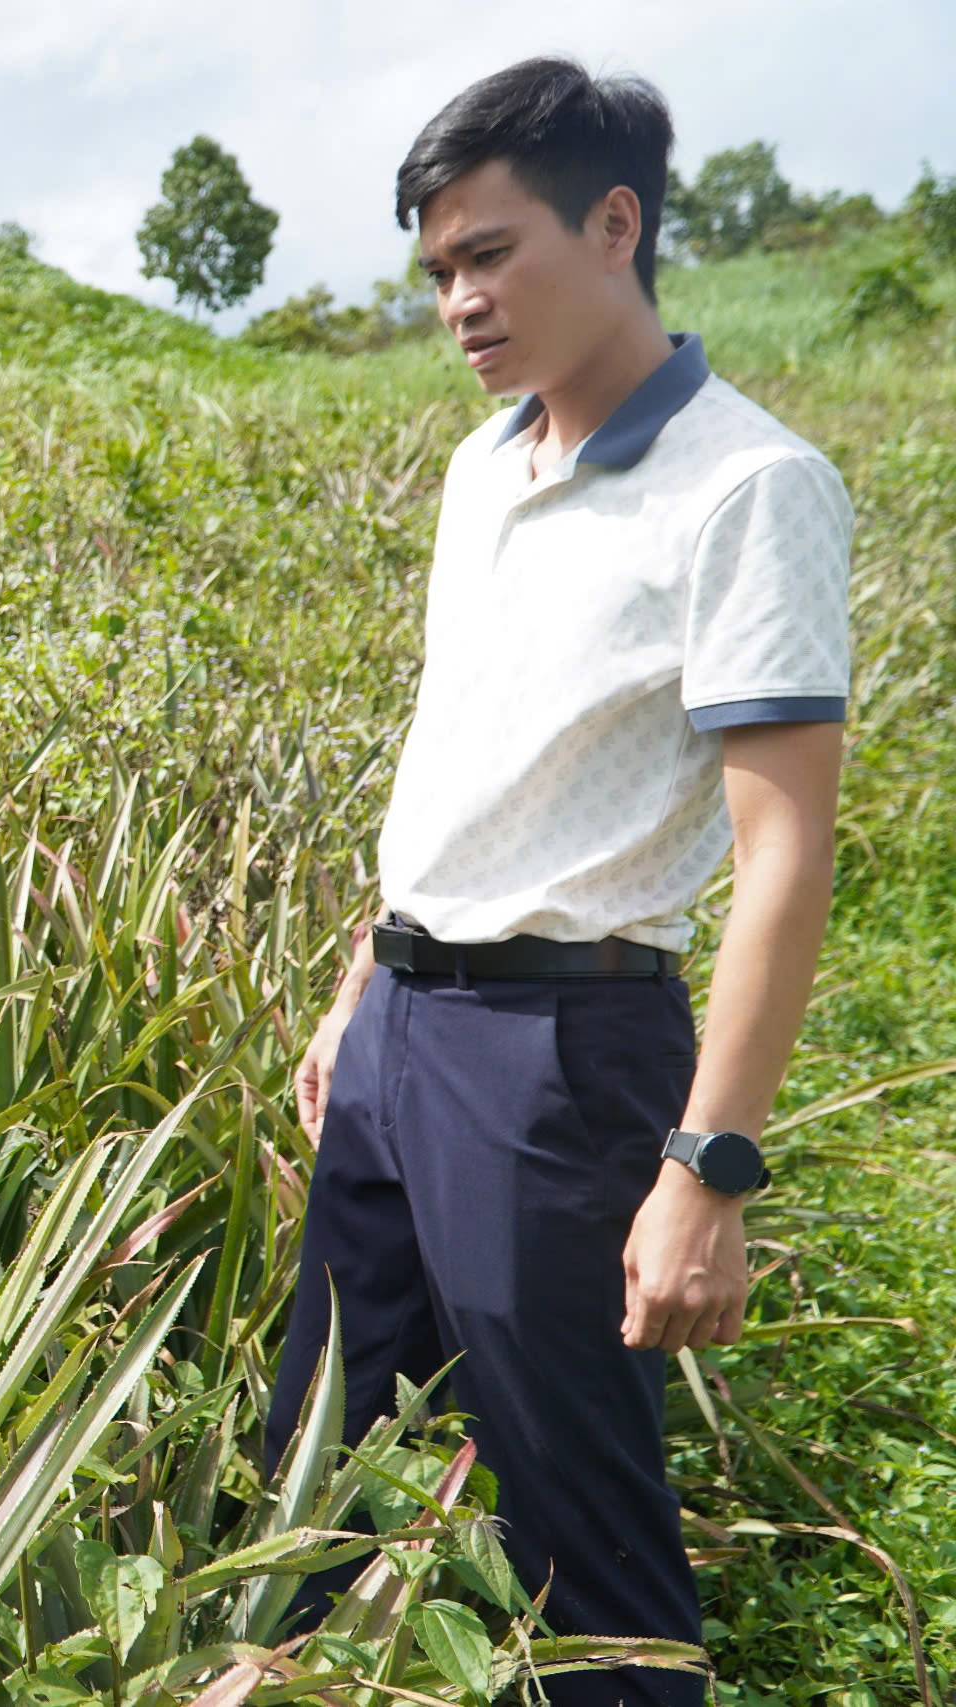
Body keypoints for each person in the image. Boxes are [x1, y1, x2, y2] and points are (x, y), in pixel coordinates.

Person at [267, 58, 851, 1704]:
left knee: (575, 1530)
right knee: (314, 1466)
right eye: (439, 268)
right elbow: (458, 752)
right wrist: (357, 991)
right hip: (399, 1033)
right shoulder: (484, 468)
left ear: (618, 224)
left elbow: (785, 848)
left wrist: (707, 1168)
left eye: (491, 253)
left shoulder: (748, 485)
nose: (459, 299)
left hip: (559, 1055)